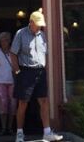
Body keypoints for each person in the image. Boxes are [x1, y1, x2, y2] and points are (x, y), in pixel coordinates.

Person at [9, 8, 63, 142]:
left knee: (44, 101)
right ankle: (20, 134)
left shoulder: (42, 35)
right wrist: (17, 71)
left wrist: (45, 68)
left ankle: (47, 132)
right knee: (23, 103)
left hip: (40, 71)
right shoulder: (20, 33)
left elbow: (45, 54)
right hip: (25, 71)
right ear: (31, 22)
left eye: (40, 24)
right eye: (37, 23)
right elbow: (13, 53)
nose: (39, 26)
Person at [0, 31, 18, 135]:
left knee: (13, 104)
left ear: (9, 41)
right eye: (2, 40)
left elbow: (17, 68)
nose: (4, 42)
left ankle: (10, 127)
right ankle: (3, 127)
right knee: (2, 104)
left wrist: (17, 74)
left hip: (12, 81)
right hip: (0, 81)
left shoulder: (13, 52)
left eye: (6, 40)